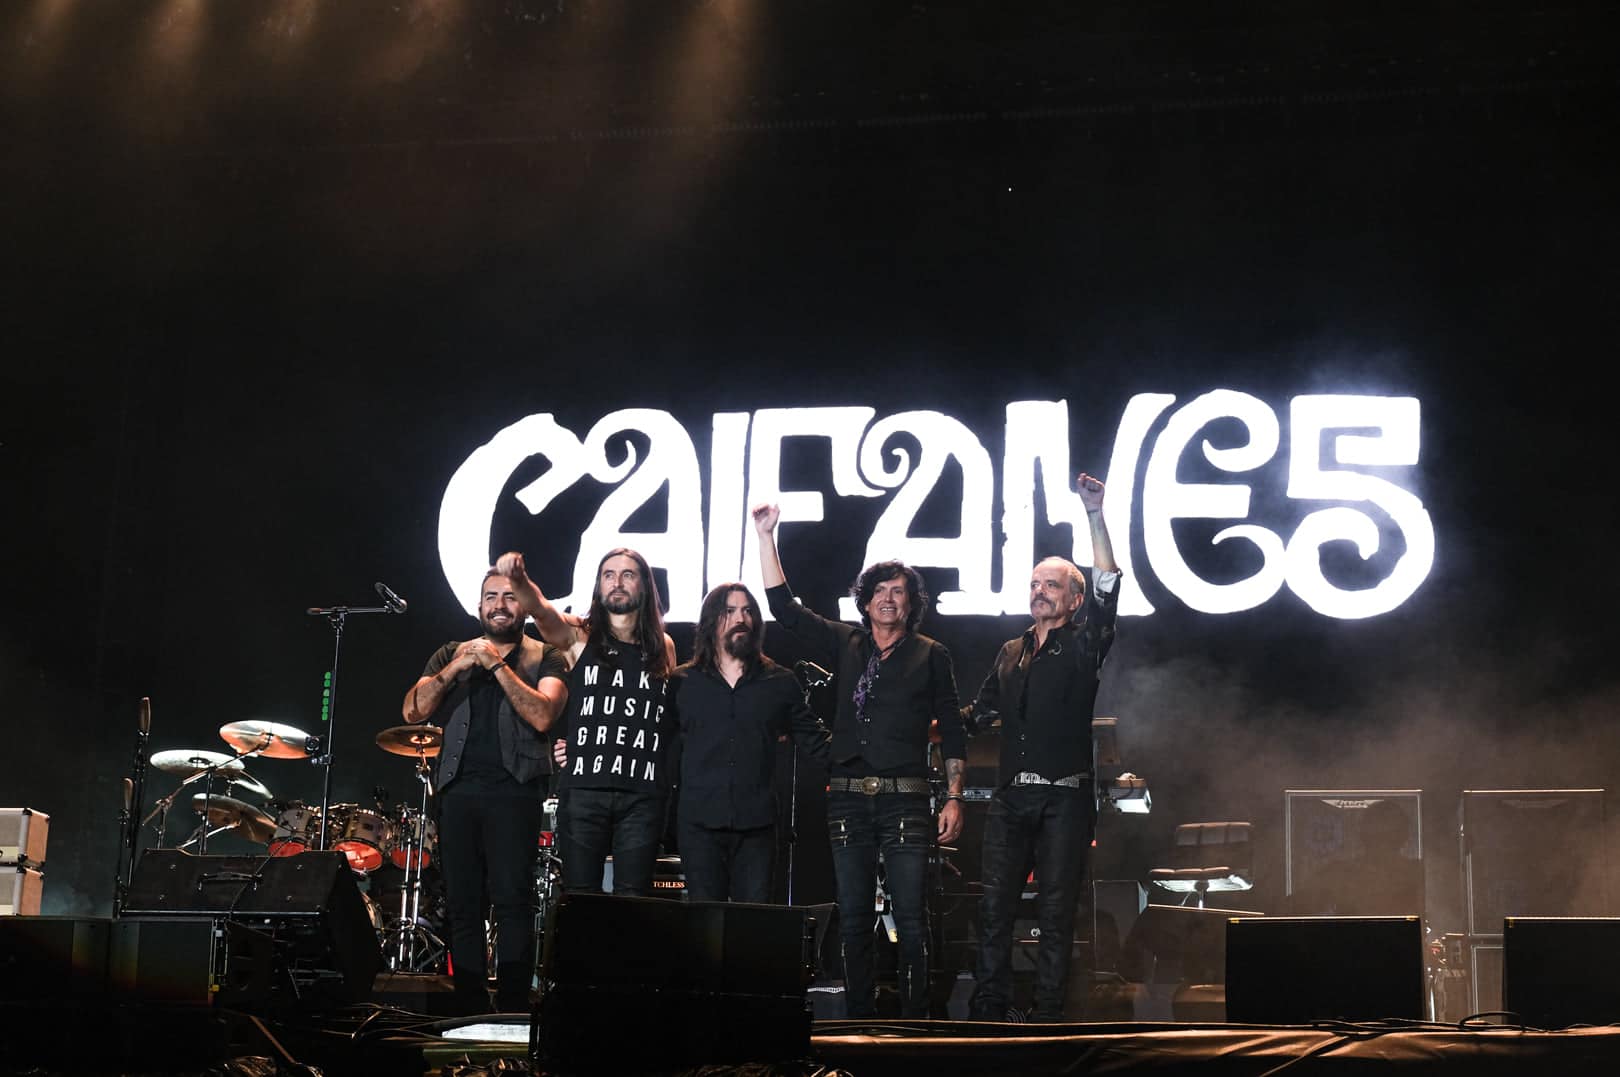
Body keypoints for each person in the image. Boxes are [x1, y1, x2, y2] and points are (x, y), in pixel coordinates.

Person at [752, 503, 966, 1019]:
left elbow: (953, 728)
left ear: (911, 603)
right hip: (848, 799)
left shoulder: (931, 654)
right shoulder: (846, 642)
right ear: (865, 601)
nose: (888, 599)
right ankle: (861, 1021)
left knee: (911, 918)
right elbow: (784, 608)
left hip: (906, 801)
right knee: (851, 917)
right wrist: (765, 536)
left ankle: (916, 1023)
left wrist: (955, 796)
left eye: (899, 591)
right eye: (880, 591)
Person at [963, 471, 1121, 1022]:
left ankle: (1048, 1013)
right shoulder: (1011, 651)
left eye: (1051, 585)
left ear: (1074, 600)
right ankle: (990, 1010)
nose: (1039, 591)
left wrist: (1095, 514)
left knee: (1056, 912)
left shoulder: (1086, 643)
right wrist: (924, 723)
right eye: (1034, 583)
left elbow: (1107, 584)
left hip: (1064, 798)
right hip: (1011, 799)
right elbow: (979, 714)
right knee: (994, 908)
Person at [402, 563, 570, 1014]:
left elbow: (543, 715)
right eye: (491, 597)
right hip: (457, 792)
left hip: (516, 793)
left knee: (513, 902)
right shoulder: (449, 653)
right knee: (463, 905)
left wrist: (495, 664)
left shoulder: (545, 656)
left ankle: (513, 1006)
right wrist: (457, 666)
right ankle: (469, 1007)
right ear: (478, 606)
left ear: (524, 607)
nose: (500, 605)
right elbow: (413, 711)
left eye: (510, 596)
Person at [495, 547, 677, 897]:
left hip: (643, 794)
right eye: (609, 575)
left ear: (644, 584)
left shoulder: (663, 646)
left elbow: (665, 719)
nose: (617, 582)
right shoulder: (579, 636)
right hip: (584, 791)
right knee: (581, 897)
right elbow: (541, 610)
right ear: (598, 585)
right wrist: (518, 580)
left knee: (634, 898)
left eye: (627, 574)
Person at [671, 582, 832, 903]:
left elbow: (816, 742)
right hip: (699, 824)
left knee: (755, 921)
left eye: (747, 611)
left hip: (758, 825)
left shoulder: (780, 681)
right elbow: (658, 745)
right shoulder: (682, 682)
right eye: (729, 611)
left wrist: (865, 751)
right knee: (704, 920)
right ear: (710, 621)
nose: (740, 619)